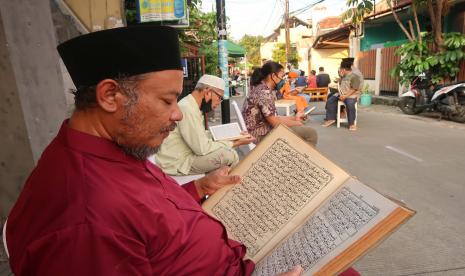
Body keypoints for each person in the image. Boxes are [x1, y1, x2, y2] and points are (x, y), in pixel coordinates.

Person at [5, 25, 304, 276]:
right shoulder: (85, 222)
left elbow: (146, 216)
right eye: (167, 100)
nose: (177, 114)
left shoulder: (114, 146)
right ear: (111, 96)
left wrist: (199, 187)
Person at [156, 74, 254, 175]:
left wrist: (233, 136)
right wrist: (235, 143)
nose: (219, 103)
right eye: (219, 97)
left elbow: (200, 137)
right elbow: (202, 149)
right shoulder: (187, 108)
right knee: (229, 155)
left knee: (228, 152)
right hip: (177, 162)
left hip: (186, 156)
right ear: (208, 92)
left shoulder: (192, 106)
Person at [241, 61, 318, 146]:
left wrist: (294, 118)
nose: (283, 80)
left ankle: (295, 157)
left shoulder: (261, 88)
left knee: (304, 130)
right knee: (311, 134)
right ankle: (298, 158)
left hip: (259, 129)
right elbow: (275, 123)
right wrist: (297, 122)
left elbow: (274, 118)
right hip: (260, 134)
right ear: (273, 76)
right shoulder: (264, 93)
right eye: (282, 77)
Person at [322, 60, 361, 131]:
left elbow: (354, 89)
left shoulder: (355, 77)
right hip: (341, 94)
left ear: (344, 69)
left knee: (350, 104)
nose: (340, 70)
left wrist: (345, 96)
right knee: (330, 100)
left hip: (351, 95)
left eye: (340, 69)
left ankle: (352, 124)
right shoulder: (344, 76)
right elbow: (341, 85)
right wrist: (340, 78)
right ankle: (331, 118)